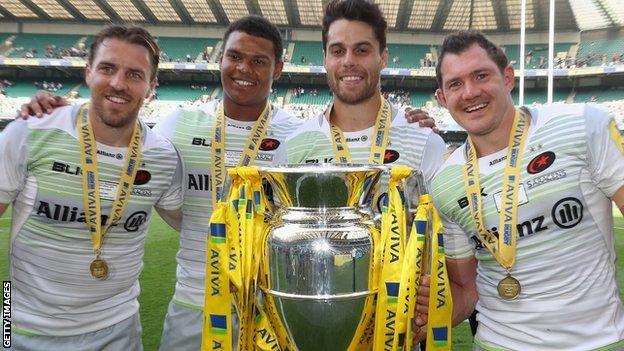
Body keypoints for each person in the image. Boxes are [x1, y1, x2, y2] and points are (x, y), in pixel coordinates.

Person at [20, 16, 437, 350]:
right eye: (235, 56)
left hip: (271, 304)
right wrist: (55, 107)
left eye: (259, 61)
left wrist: (410, 121)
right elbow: (148, 179)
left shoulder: (300, 135)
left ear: (277, 69)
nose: (244, 69)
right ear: (220, 59)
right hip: (193, 302)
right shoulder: (175, 127)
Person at [428, 30, 624, 350]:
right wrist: (419, 310)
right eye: (455, 84)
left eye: (481, 75)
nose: (470, 92)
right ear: (442, 98)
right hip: (497, 343)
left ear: (507, 78)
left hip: (598, 342)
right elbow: (465, 291)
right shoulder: (445, 183)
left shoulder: (583, 126)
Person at [0, 25, 183, 350]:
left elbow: (196, 223)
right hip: (22, 328)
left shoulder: (163, 156)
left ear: (151, 87)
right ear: (88, 73)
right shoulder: (28, 133)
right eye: (107, 68)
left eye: (134, 75)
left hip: (117, 332)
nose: (118, 83)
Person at [276, 0, 448, 343]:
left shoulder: (424, 142)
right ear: (325, 58)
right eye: (337, 50)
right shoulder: (293, 147)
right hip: (317, 325)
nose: (348, 62)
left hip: (399, 330)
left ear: (383, 57)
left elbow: (446, 244)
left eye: (362, 49)